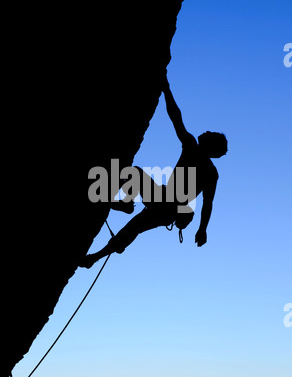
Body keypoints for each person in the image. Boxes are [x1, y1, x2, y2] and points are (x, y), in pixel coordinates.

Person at [79, 75, 228, 269]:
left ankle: (124, 206)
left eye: (211, 134)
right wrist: (202, 230)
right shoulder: (210, 170)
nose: (207, 131)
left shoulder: (193, 149)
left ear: (211, 145)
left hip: (166, 202)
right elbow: (208, 204)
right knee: (135, 225)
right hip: (170, 207)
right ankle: (95, 257)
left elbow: (176, 117)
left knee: (135, 182)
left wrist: (166, 90)